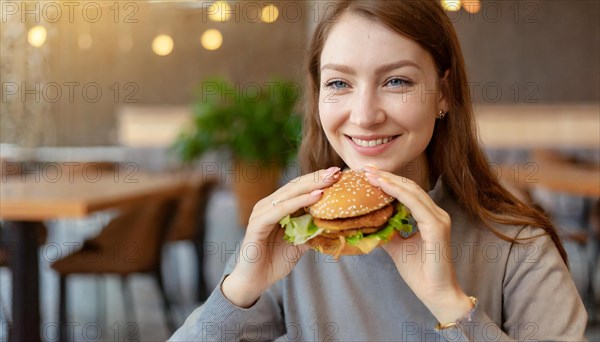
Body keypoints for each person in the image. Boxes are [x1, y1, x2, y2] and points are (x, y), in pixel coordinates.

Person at [170, 1, 587, 340]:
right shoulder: (293, 237)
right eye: (338, 84)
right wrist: (239, 290)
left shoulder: (519, 248)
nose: (365, 116)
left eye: (396, 82)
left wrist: (451, 306)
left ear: (443, 92)